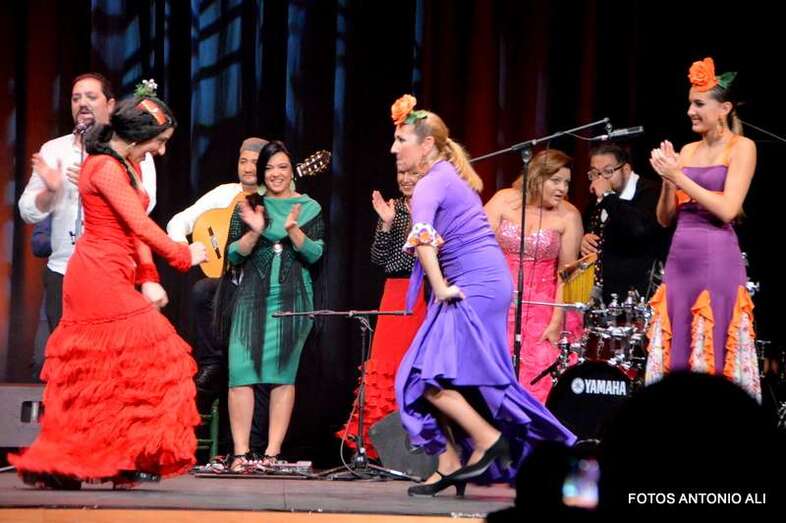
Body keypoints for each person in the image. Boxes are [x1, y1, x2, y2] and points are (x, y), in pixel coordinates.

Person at [9, 84, 208, 489]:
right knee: (156, 355)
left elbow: (134, 234)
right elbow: (139, 225)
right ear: (137, 135)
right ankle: (92, 458)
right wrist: (184, 255)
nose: (162, 150)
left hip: (114, 270)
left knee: (109, 373)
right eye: (160, 141)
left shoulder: (124, 166)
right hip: (95, 274)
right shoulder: (104, 168)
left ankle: (104, 459)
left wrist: (150, 278)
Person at [390, 95, 575, 497]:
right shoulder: (444, 179)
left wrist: (439, 288)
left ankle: (490, 440)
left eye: (401, 139)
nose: (393, 148)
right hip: (481, 281)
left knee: (424, 376)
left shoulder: (430, 184)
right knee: (439, 376)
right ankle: (449, 463)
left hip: (472, 285)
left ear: (426, 146)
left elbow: (423, 240)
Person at [647, 57, 759, 399]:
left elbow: (726, 209)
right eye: (689, 104)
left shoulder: (742, 148)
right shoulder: (688, 150)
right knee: (677, 345)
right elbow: (665, 219)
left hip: (717, 260)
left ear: (724, 108)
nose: (690, 111)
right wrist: (668, 180)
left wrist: (678, 176)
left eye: (699, 104)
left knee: (713, 345)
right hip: (680, 261)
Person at [215, 141, 325, 472]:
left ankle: (272, 454)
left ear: (293, 171)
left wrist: (293, 231)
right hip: (251, 298)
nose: (275, 174)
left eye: (282, 167)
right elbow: (233, 255)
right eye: (269, 168)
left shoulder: (309, 208)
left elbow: (316, 254)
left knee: (282, 377)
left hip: (293, 300)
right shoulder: (249, 205)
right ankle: (241, 453)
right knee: (241, 375)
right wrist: (253, 233)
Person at [18, 73, 157, 332]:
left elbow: (143, 208)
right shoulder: (53, 150)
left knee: (107, 357)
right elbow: (27, 212)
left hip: (111, 273)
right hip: (63, 270)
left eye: (91, 97)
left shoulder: (133, 152)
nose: (82, 103)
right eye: (75, 98)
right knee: (62, 362)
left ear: (111, 105)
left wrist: (98, 182)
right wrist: (51, 193)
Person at [167, 137, 268, 393]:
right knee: (203, 290)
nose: (247, 168)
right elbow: (178, 221)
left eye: (254, 162)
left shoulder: (278, 197)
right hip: (229, 281)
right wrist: (185, 248)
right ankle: (213, 364)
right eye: (243, 161)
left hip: (264, 285)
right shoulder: (224, 193)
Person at [338, 169, 427, 459]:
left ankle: (422, 448)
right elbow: (378, 258)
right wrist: (387, 226)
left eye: (412, 172)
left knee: (422, 367)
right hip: (398, 290)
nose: (405, 178)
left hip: (429, 291)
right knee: (387, 363)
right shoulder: (394, 209)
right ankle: (377, 448)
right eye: (400, 173)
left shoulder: (437, 206)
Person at [485, 149, 584, 403]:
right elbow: (478, 248)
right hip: (498, 299)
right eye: (556, 180)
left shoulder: (569, 215)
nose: (562, 188)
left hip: (544, 307)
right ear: (537, 177)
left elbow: (568, 274)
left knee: (537, 374)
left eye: (567, 182)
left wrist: (556, 321)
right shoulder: (503, 200)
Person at [581, 144, 665, 304]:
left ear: (625, 170)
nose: (600, 179)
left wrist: (607, 196)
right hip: (603, 294)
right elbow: (590, 227)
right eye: (595, 173)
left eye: (608, 172)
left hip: (639, 295)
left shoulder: (651, 192)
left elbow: (638, 230)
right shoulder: (598, 195)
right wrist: (583, 239)